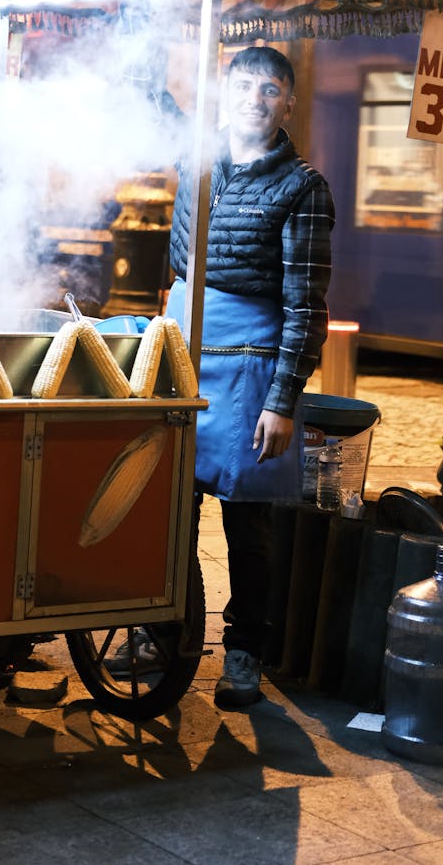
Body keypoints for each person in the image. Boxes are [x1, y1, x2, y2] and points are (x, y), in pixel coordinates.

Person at [165, 45, 335, 708]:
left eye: (270, 90)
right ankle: (164, 627)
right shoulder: (197, 164)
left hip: (249, 375)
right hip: (182, 354)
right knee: (169, 509)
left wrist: (283, 400)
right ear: (225, 92)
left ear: (287, 103)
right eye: (244, 86)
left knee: (248, 525)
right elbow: (176, 269)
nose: (255, 99)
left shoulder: (302, 188)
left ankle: (244, 651)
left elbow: (305, 306)